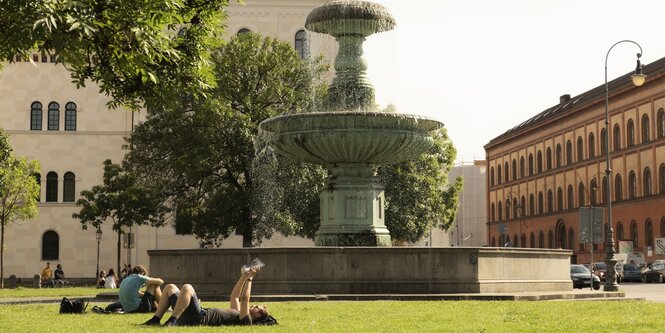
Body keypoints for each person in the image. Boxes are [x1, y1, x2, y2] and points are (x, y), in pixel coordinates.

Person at [142, 267, 268, 326]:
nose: (253, 305)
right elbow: (234, 297)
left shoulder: (246, 321)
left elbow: (245, 299)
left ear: (257, 315)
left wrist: (250, 279)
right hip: (192, 314)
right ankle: (155, 320)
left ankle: (172, 321)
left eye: (257, 307)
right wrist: (243, 276)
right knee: (170, 288)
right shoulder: (238, 313)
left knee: (187, 288)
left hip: (199, 318)